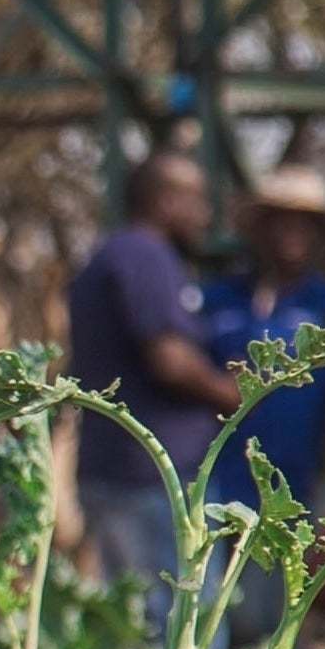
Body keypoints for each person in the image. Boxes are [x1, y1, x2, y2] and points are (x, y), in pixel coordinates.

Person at [62, 148, 244, 577]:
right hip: (153, 477)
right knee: (181, 610)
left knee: (131, 610)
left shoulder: (109, 256)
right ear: (167, 200)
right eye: (197, 201)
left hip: (115, 470)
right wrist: (231, 392)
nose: (205, 216)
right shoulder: (146, 256)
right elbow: (169, 359)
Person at [213, 162, 325, 508]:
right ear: (260, 228)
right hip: (210, 480)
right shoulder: (218, 298)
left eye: (307, 223)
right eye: (282, 220)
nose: (293, 232)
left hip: (291, 485)